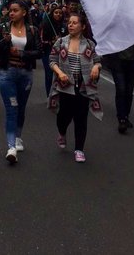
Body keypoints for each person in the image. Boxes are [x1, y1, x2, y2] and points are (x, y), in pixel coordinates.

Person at [0, 0, 41, 163]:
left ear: (24, 12)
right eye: (10, 10)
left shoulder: (32, 30)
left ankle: (18, 137)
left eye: (15, 10)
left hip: (25, 74)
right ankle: (11, 147)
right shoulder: (3, 28)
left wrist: (21, 53)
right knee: (12, 108)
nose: (11, 13)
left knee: (21, 108)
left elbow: (39, 52)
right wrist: (4, 43)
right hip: (7, 74)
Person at [48, 13, 102, 162]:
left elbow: (98, 60)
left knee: (81, 118)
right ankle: (62, 132)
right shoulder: (60, 42)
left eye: (74, 23)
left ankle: (79, 149)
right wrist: (60, 73)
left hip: (83, 87)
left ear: (82, 26)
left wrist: (96, 67)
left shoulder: (90, 44)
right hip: (65, 87)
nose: (70, 25)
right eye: (69, 22)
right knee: (63, 116)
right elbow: (52, 60)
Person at [102, 40, 134, 134]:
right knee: (121, 89)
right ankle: (121, 119)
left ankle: (125, 116)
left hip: (132, 62)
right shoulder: (115, 25)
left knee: (129, 91)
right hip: (117, 62)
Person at [40, 3, 68, 97]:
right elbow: (41, 40)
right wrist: (52, 41)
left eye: (60, 13)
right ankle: (50, 95)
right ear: (52, 13)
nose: (58, 14)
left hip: (62, 53)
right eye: (56, 12)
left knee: (60, 73)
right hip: (48, 52)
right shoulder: (46, 24)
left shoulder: (64, 26)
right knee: (49, 74)